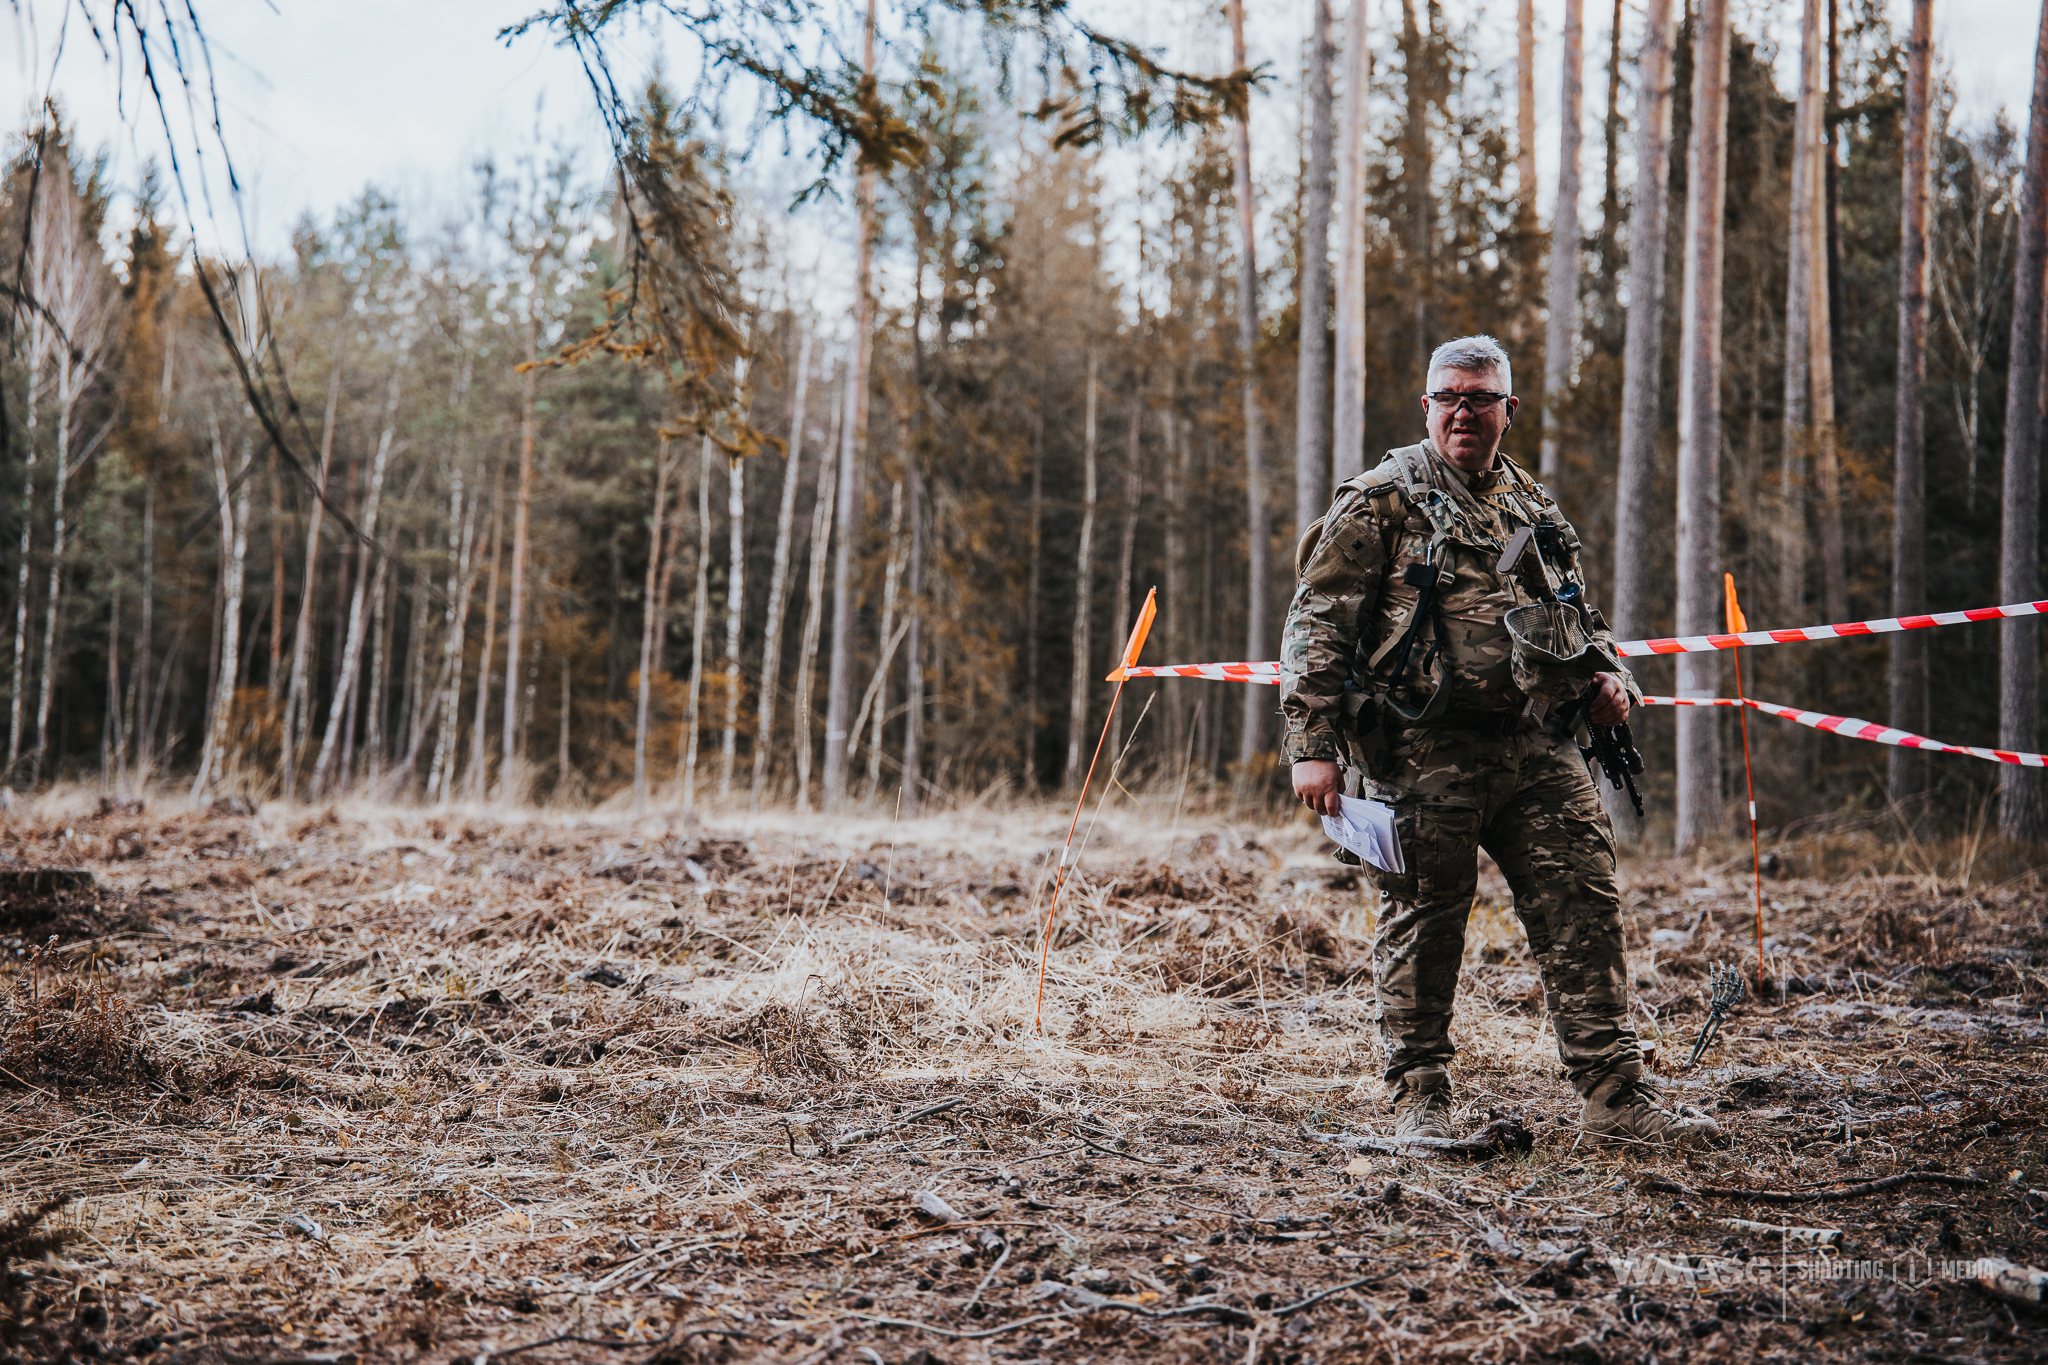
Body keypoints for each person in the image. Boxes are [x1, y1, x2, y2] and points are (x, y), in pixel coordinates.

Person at [1280, 335, 1718, 1148]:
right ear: (1426, 406)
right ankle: (1419, 1098)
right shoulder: (1381, 500)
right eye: (1447, 396)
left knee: (1583, 904)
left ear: (1507, 411)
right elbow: (1317, 622)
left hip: (1535, 747)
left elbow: (1578, 615)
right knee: (1424, 918)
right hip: (1420, 751)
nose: (1463, 412)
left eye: (1480, 398)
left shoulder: (1533, 508)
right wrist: (1313, 743)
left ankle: (1615, 1095)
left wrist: (1611, 675)